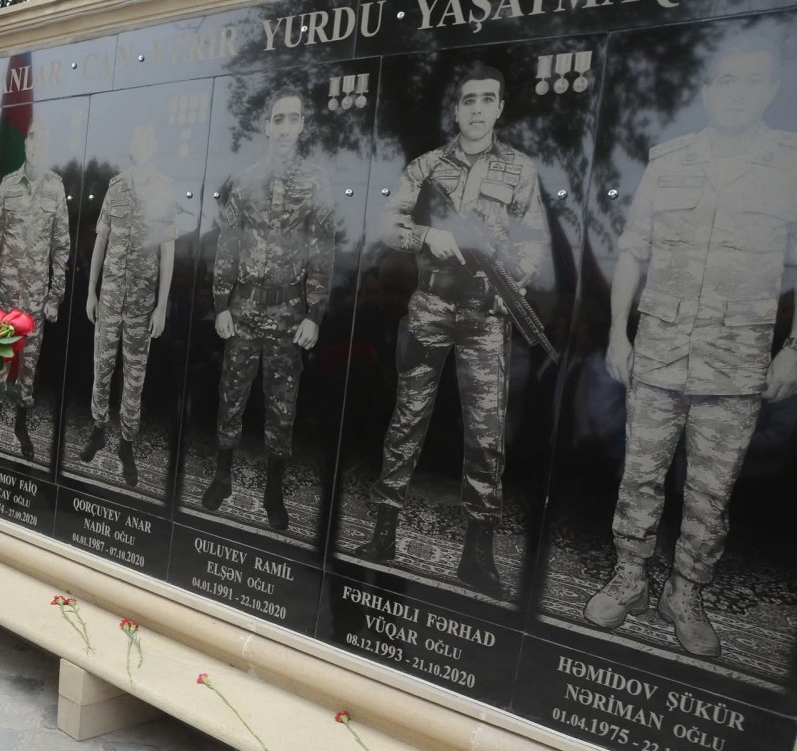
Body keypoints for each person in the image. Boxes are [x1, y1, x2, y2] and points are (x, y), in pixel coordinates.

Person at [584, 37, 797, 657]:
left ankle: (686, 594)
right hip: (658, 352)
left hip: (736, 363)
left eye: (750, 83)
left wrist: (793, 349)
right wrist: (617, 333)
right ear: (707, 92)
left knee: (711, 490)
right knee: (640, 475)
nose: (735, 95)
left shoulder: (788, 164)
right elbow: (634, 251)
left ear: (771, 91)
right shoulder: (671, 160)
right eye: (724, 83)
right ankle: (628, 579)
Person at [356, 65, 546, 599]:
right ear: (456, 110)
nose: (478, 109)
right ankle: (384, 530)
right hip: (432, 306)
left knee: (486, 435)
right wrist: (428, 234)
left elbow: (533, 239)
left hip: (488, 316)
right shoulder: (427, 166)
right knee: (407, 420)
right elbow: (387, 224)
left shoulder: (520, 169)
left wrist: (515, 282)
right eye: (469, 101)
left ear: (500, 107)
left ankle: (477, 553)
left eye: (488, 99)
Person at [199, 87, 335, 531]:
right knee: (230, 397)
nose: (284, 128)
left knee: (282, 406)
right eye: (277, 119)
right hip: (243, 309)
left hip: (289, 314)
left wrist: (315, 314)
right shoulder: (244, 181)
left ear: (303, 125)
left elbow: (322, 251)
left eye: (292, 119)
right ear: (266, 125)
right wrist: (221, 304)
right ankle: (223, 477)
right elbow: (227, 246)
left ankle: (273, 492)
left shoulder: (317, 183)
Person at [80, 122, 176, 485]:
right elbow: (100, 243)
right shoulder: (115, 187)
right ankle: (99, 428)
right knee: (101, 370)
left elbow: (168, 251)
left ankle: (127, 442)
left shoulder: (164, 191)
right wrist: (91, 291)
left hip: (140, 304)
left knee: (134, 376)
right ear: (133, 148)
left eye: (150, 140)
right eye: (139, 140)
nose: (144, 146)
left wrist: (162, 306)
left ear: (154, 148)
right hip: (108, 300)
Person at [0, 119, 70, 460]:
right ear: (25, 144)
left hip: (36, 298)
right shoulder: (8, 185)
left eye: (42, 140)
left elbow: (62, 247)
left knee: (29, 365)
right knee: (1, 358)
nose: (36, 145)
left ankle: (20, 424)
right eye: (32, 138)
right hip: (5, 294)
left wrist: (54, 296)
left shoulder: (55, 189)